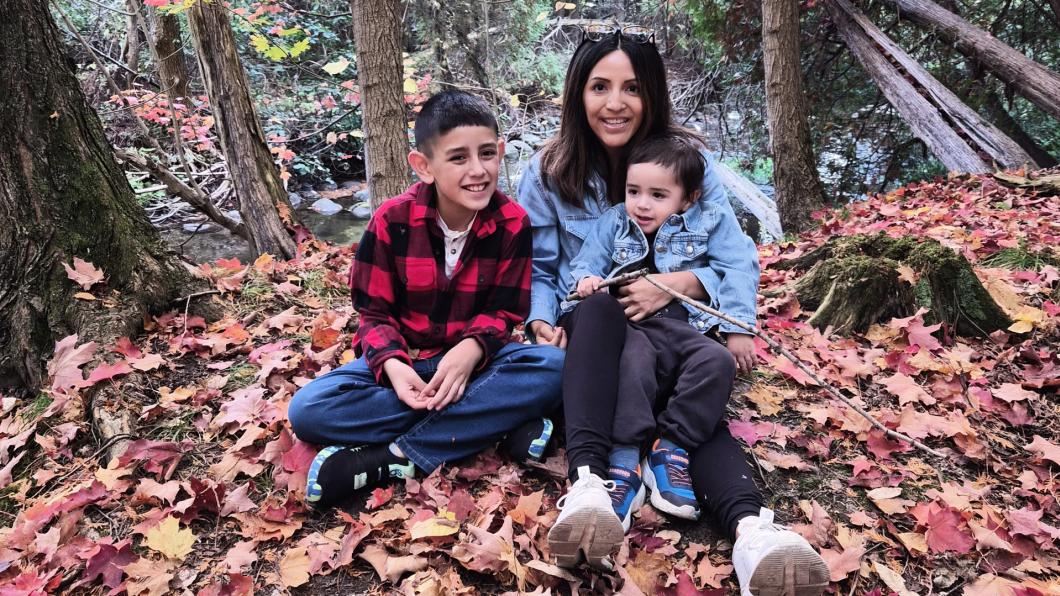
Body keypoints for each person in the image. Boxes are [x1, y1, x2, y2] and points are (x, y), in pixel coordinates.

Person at [517, 25, 829, 595]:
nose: (615, 103)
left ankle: (752, 530)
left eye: (631, 88)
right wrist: (541, 319)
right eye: (599, 87)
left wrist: (682, 282)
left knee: (693, 387)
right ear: (576, 93)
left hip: (676, 325)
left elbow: (733, 255)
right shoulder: (545, 173)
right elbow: (538, 269)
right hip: (593, 325)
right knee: (607, 318)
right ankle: (590, 483)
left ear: (652, 93)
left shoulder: (690, 165)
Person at [289, 90, 563, 510]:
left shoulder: (513, 223)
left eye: (487, 153)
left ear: (501, 153)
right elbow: (373, 312)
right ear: (424, 166)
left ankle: (393, 458)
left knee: (554, 366)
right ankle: (495, 422)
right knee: (309, 410)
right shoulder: (391, 220)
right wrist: (395, 367)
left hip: (479, 364)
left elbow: (504, 312)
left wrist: (470, 351)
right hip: (410, 362)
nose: (478, 170)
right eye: (458, 158)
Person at [569, 133, 758, 531]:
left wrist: (739, 327)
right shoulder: (615, 221)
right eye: (633, 191)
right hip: (630, 323)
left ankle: (669, 448)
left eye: (657, 195)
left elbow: (739, 266)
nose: (641, 204)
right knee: (633, 365)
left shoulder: (711, 220)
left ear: (687, 199)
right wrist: (587, 279)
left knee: (716, 361)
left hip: (682, 325)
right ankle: (623, 459)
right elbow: (587, 262)